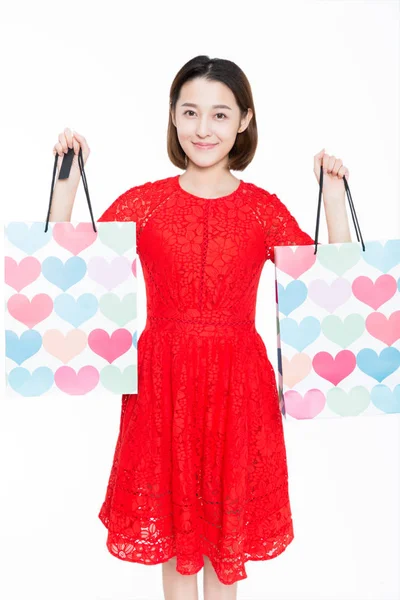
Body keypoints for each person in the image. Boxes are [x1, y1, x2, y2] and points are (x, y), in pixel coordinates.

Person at [49, 55, 352, 600]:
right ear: (173, 117)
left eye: (219, 114)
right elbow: (68, 272)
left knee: (223, 534)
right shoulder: (145, 203)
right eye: (190, 112)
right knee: (174, 531)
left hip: (238, 384)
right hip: (162, 381)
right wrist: (68, 179)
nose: (203, 128)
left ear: (243, 121)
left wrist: (332, 198)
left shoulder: (263, 210)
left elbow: (335, 292)